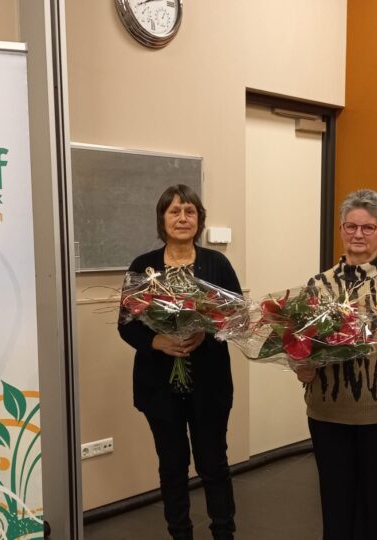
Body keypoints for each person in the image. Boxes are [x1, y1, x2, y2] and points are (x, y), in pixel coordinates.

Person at [295, 188, 377, 540]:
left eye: (368, 227)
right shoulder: (319, 285)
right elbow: (300, 343)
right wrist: (300, 364)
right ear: (341, 229)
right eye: (351, 226)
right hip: (329, 412)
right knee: (337, 509)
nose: (358, 234)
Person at [117, 184, 241, 540]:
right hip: (159, 387)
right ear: (163, 219)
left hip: (209, 386)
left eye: (190, 211)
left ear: (199, 219)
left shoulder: (217, 263)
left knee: (213, 465)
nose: (182, 218)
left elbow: (237, 317)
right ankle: (180, 533)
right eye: (174, 211)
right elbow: (126, 324)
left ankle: (223, 533)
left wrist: (205, 332)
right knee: (172, 467)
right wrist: (156, 341)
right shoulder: (143, 267)